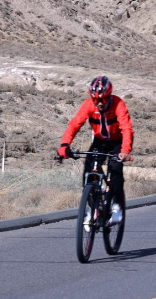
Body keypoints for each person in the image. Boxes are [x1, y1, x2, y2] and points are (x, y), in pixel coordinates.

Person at [57, 76, 134, 226]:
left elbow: (126, 129)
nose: (99, 103)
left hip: (118, 142)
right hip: (100, 141)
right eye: (95, 99)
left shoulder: (118, 104)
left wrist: (125, 150)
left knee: (115, 169)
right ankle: (93, 209)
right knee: (88, 170)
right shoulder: (88, 105)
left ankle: (117, 207)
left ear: (109, 96)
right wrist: (65, 145)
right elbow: (74, 125)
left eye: (103, 99)